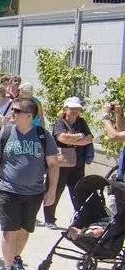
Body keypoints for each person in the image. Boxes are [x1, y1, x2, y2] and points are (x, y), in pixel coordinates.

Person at [0, 98, 59, 270]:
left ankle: (15, 256)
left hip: (34, 192)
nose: (12, 113)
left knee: (25, 230)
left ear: (28, 116)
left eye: (16, 111)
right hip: (8, 189)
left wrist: (52, 191)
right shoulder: (6, 133)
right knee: (10, 231)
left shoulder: (43, 135)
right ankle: (7, 268)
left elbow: (53, 165)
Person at [43, 97, 93, 228]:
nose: (75, 111)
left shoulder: (82, 122)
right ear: (65, 109)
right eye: (72, 109)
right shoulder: (60, 122)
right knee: (54, 189)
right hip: (61, 164)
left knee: (78, 191)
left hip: (78, 163)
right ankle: (49, 219)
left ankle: (80, 219)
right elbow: (61, 138)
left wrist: (73, 139)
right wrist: (78, 137)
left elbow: (89, 139)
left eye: (78, 109)